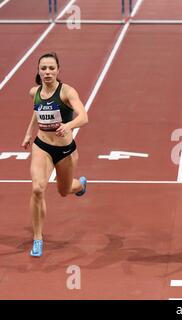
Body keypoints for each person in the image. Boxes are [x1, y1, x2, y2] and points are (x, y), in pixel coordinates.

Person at [21, 52, 89, 257]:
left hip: (65, 150)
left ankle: (80, 185)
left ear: (58, 70)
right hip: (42, 146)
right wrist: (27, 134)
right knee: (37, 189)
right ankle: (38, 238)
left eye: (51, 68)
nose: (47, 72)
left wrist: (69, 126)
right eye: (44, 68)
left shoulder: (67, 92)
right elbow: (37, 111)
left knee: (64, 189)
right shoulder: (35, 92)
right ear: (38, 71)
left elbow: (84, 116)